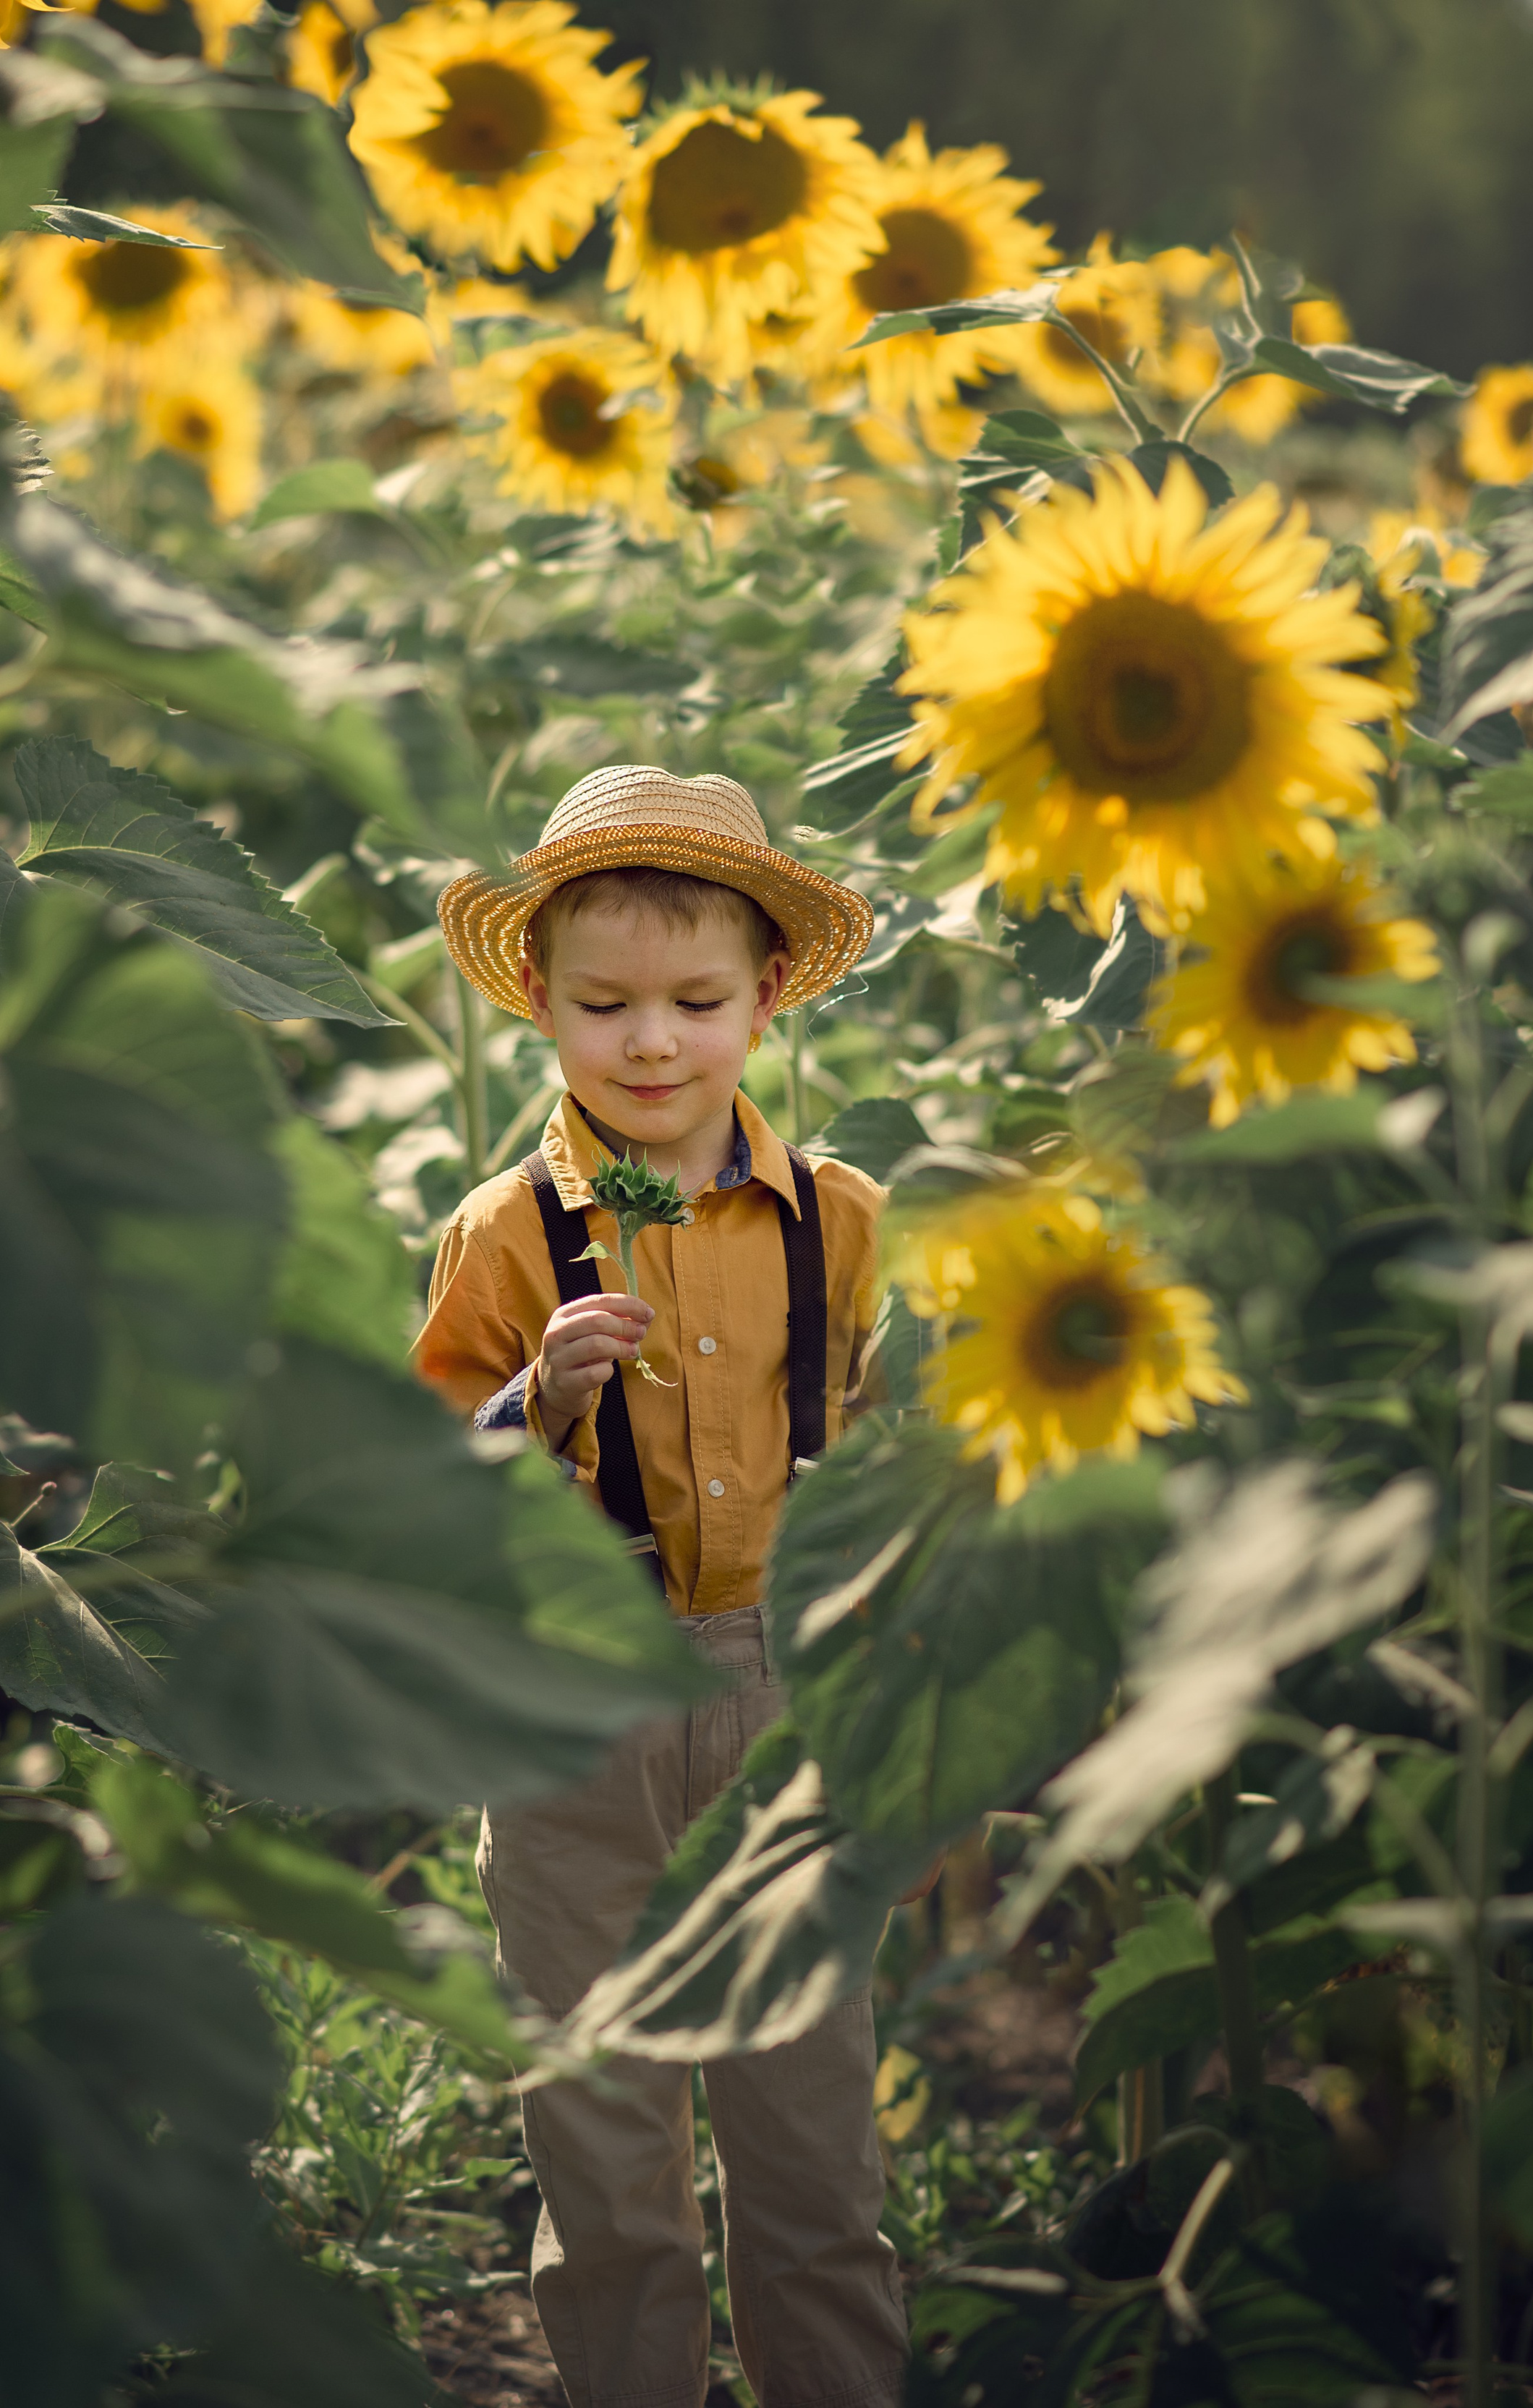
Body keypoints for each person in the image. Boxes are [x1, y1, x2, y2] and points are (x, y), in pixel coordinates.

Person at [415, 764, 907, 2408]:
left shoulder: (836, 1222)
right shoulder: (503, 1235)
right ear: (539, 1005)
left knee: (813, 2155)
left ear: (762, 998)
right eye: (602, 1004)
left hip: (784, 1693)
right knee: (606, 2151)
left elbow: (883, 1453)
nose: (648, 1044)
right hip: (572, 1707)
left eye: (694, 1002)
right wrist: (533, 1401)